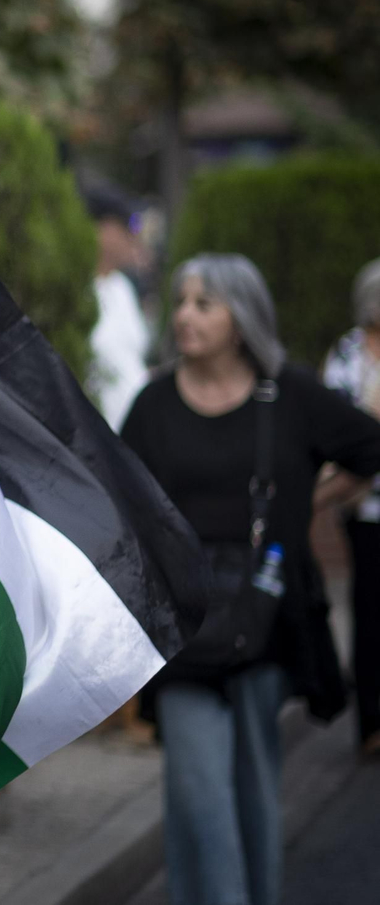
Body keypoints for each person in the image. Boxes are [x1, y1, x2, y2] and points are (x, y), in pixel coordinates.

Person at [120, 253, 380, 905]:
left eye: (204, 304)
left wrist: (311, 501)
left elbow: (369, 450)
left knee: (254, 784)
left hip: (265, 615)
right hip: (182, 622)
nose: (184, 315)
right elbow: (119, 502)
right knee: (199, 783)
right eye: (180, 301)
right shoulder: (152, 404)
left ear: (242, 318)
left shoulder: (288, 396)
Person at [320, 257, 380, 755]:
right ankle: (372, 723)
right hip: (364, 505)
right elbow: (336, 422)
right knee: (369, 606)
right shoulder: (347, 353)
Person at [85, 186, 150, 431]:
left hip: (136, 435)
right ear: (105, 229)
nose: (136, 237)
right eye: (130, 226)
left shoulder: (121, 286)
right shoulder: (76, 293)